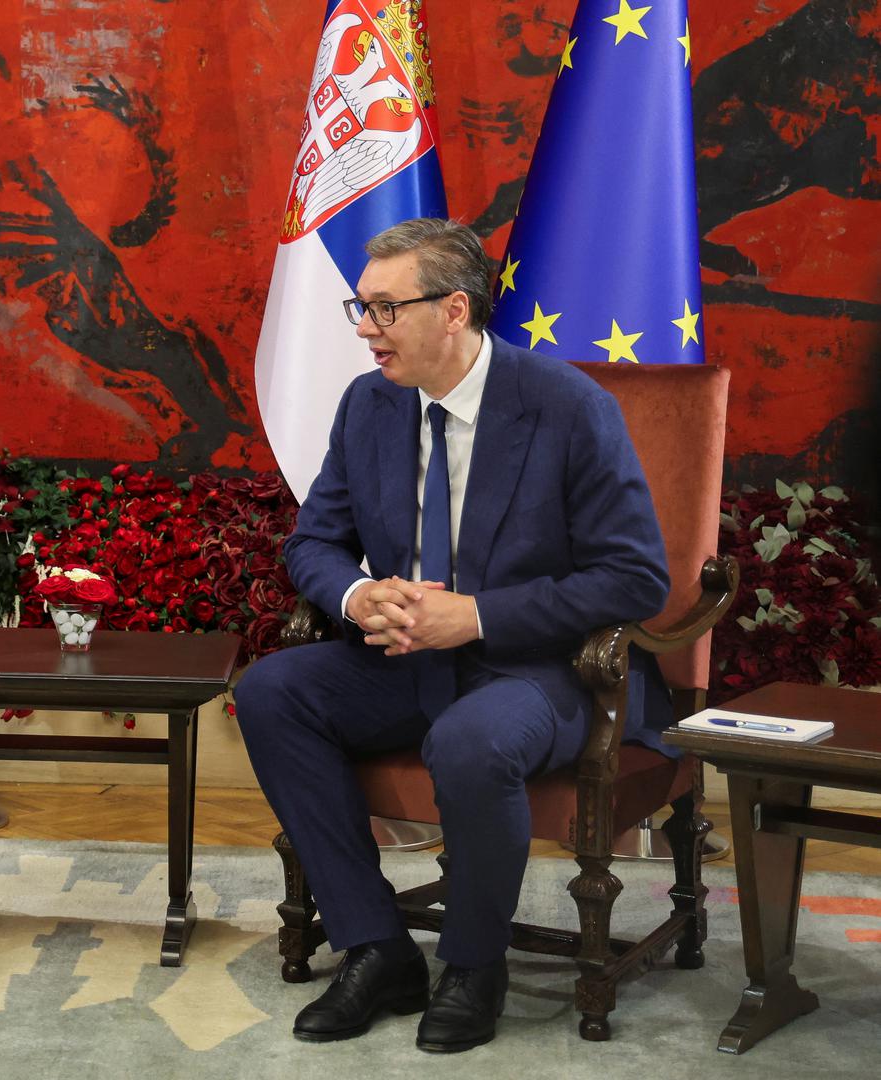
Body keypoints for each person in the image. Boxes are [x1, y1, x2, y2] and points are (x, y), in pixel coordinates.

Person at [235, 218, 671, 1054]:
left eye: (384, 309)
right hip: (406, 661)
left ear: (454, 310)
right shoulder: (368, 404)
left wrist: (475, 615)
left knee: (473, 740)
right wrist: (360, 595)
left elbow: (634, 578)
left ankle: (473, 965)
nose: (365, 329)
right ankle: (377, 947)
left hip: (540, 671)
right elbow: (313, 543)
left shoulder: (567, 407)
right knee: (272, 693)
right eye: (360, 308)